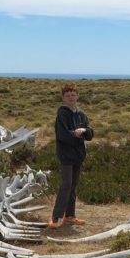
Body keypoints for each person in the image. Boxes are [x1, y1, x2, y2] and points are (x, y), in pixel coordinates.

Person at [50, 82, 94, 229]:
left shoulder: (81, 114)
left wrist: (84, 131)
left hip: (78, 154)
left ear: (77, 96)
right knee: (66, 184)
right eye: (67, 95)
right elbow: (62, 134)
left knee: (73, 185)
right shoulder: (62, 113)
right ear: (63, 98)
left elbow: (90, 133)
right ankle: (56, 217)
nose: (70, 97)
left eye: (73, 95)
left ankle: (70, 216)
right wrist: (74, 133)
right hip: (66, 154)